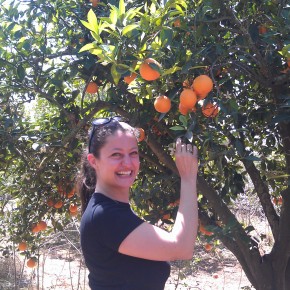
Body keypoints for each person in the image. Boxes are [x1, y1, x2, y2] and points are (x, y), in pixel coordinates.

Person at [76, 116, 199, 290]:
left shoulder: (113, 210)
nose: (127, 163)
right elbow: (182, 247)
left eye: (133, 153)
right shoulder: (105, 216)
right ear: (93, 161)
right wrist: (187, 177)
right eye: (116, 154)